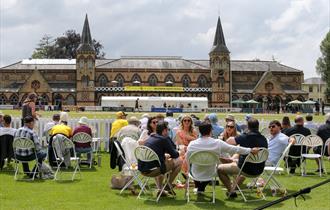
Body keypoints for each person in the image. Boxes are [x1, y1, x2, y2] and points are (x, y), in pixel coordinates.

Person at [187, 122, 257, 194]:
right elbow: (234, 149)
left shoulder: (192, 144)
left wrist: (188, 170)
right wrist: (250, 150)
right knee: (216, 167)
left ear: (199, 131)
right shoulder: (217, 142)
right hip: (211, 173)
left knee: (195, 166)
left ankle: (200, 186)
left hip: (195, 173)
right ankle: (201, 187)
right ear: (211, 131)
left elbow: (187, 159)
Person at [218, 118, 268, 198]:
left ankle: (231, 190)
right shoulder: (264, 139)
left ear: (248, 127)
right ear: (258, 127)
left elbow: (229, 141)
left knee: (219, 168)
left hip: (245, 169)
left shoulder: (246, 137)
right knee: (237, 161)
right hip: (259, 170)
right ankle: (233, 189)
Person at [138, 121, 182, 196]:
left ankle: (161, 189)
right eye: (168, 129)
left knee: (164, 161)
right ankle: (168, 185)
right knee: (179, 161)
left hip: (143, 169)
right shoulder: (163, 139)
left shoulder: (151, 137)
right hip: (155, 170)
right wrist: (180, 152)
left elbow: (155, 154)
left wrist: (165, 155)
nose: (168, 131)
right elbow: (175, 155)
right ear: (164, 130)